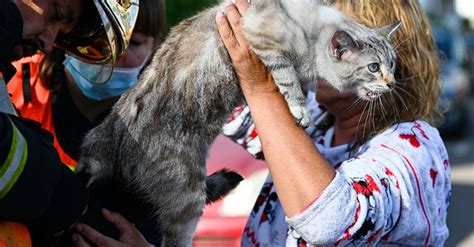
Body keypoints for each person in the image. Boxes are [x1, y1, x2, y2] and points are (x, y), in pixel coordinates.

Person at [71, 0, 451, 246]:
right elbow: (198, 106)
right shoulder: (320, 124)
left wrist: (262, 85)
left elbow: (331, 223)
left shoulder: (415, 147)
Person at [6, 0, 166, 245]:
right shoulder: (15, 73)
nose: (116, 53)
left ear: (155, 50)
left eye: (134, 43)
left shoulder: (162, 132)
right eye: (102, 35)